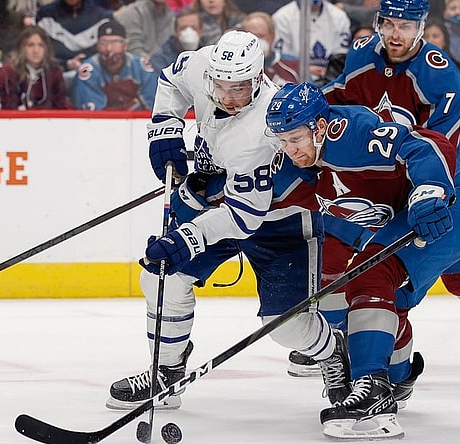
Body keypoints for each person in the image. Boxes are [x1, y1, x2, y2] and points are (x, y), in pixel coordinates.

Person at [105, 30, 351, 413]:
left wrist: (187, 235)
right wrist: (165, 127)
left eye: (240, 88)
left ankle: (333, 350)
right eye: (222, 87)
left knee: (284, 326)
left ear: (258, 78)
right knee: (161, 275)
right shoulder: (202, 64)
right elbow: (171, 78)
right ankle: (165, 372)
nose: (230, 97)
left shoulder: (264, 125)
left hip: (279, 222)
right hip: (222, 203)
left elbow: (244, 216)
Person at [265, 81, 460, 440]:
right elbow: (254, 206)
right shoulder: (298, 166)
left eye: (295, 139)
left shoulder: (350, 134)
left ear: (320, 127)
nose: (289, 149)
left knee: (369, 275)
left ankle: (374, 390)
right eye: (283, 141)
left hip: (452, 208)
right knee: (388, 303)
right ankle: (397, 381)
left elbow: (427, 143)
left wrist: (429, 189)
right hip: (403, 221)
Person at [319, 0, 460, 379]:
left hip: (431, 186)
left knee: (451, 271)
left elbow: (440, 147)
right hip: (382, 185)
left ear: (422, 26)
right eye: (387, 23)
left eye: (405, 26)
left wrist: (428, 193)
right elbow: (334, 101)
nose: (394, 34)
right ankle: (336, 344)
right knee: (349, 257)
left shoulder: (439, 74)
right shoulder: (361, 54)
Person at [71, 18, 158, 110]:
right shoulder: (87, 71)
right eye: (103, 43)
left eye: (115, 42)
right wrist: (130, 106)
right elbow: (92, 114)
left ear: (125, 46)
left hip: (138, 123)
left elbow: (152, 106)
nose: (109, 48)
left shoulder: (140, 67)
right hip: (101, 123)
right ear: (97, 46)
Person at [272, 0, 351, 84]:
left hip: (331, 79)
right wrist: (303, 69)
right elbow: (280, 59)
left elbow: (341, 56)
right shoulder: (281, 17)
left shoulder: (339, 16)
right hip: (296, 80)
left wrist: (329, 71)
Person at [35, 0, 113, 74]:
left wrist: (84, 63)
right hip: (55, 75)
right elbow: (38, 53)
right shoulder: (45, 16)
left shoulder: (102, 17)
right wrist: (66, 64)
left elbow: (109, 52)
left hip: (94, 74)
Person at [10, 25, 68, 109]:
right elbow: (9, 105)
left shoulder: (55, 73)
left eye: (40, 45)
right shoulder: (11, 72)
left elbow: (59, 105)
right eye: (30, 45)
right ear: (22, 48)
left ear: (46, 48)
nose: (36, 51)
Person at [240, 11, 301, 86]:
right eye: (252, 36)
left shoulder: (293, 64)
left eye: (261, 36)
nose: (256, 41)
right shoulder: (237, 68)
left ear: (272, 36)